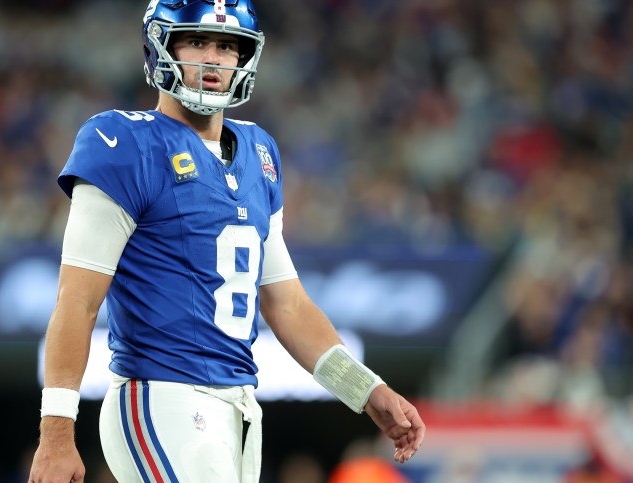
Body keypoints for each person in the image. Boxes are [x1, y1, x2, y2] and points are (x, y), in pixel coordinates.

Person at [29, 1, 426, 482]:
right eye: (197, 42)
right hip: (160, 397)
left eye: (227, 46)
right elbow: (77, 301)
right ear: (161, 46)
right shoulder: (122, 142)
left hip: (237, 408)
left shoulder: (259, 151)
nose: (214, 58)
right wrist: (56, 432)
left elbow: (288, 305)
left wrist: (367, 390)